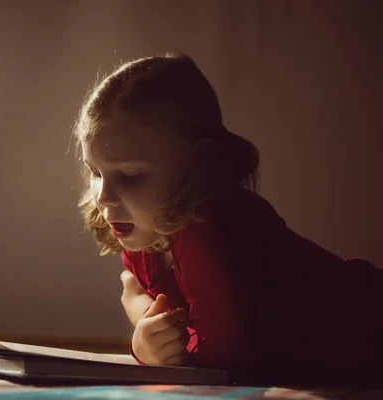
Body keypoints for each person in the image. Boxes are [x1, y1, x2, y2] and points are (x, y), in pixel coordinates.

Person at [73, 53, 383, 387]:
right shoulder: (142, 226)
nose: (103, 197)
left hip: (365, 324)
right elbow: (136, 287)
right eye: (95, 172)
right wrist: (139, 310)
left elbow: (227, 360)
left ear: (200, 162)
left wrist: (141, 341)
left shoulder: (208, 228)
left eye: (131, 175)